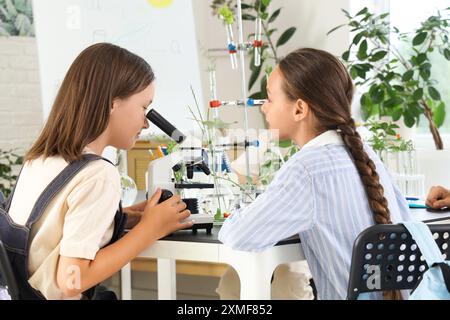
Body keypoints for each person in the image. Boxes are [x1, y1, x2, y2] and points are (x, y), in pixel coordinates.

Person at [218, 48, 413, 300]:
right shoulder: (366, 154)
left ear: (299, 109)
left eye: (269, 98)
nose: (264, 108)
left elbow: (238, 235)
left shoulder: (306, 169)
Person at [2, 43, 193, 299]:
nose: (146, 122)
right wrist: (150, 230)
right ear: (112, 104)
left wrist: (123, 217)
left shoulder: (41, 158)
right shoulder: (98, 174)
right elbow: (71, 279)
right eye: (144, 108)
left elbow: (47, 234)